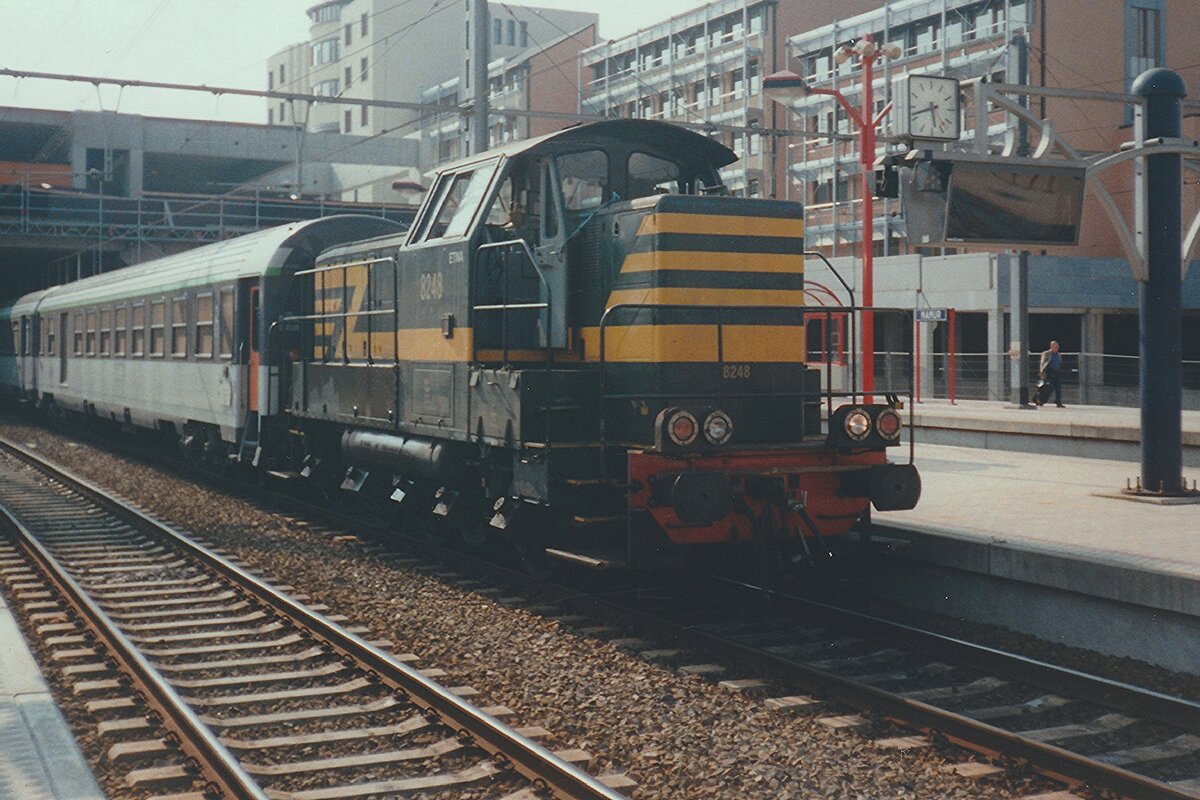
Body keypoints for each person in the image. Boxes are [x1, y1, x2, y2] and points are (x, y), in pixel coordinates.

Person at [1038, 340, 1064, 408]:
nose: (1057, 347)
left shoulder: (1058, 354)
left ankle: (1058, 402)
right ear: (1051, 346)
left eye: (1057, 346)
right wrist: (1042, 372)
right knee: (1048, 388)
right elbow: (1042, 363)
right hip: (1049, 371)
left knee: (1058, 388)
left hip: (1056, 372)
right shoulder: (1046, 353)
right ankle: (1041, 401)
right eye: (1055, 346)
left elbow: (1060, 363)